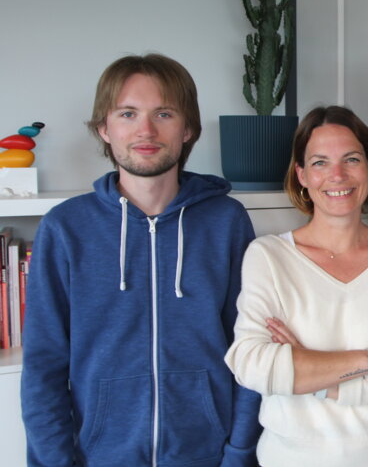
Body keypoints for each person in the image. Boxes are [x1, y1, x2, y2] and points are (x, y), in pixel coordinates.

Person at [21, 53, 262, 466]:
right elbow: (43, 367)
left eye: (164, 113)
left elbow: (251, 348)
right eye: (128, 113)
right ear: (104, 128)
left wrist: (240, 453)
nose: (146, 130)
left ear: (187, 129)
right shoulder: (65, 229)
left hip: (209, 456)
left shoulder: (226, 222)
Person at [225, 105, 368, 467]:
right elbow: (251, 366)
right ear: (302, 175)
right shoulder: (268, 256)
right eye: (320, 162)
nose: (337, 175)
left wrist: (313, 374)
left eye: (351, 159)